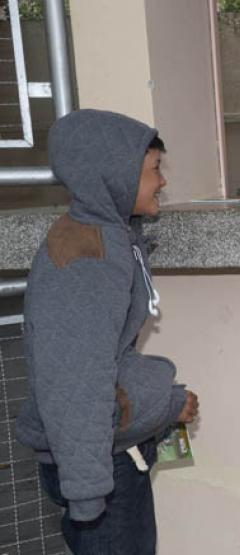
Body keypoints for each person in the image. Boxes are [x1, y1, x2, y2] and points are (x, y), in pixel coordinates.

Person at [15, 109, 199, 554]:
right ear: (115, 175)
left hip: (106, 462)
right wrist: (87, 492)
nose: (162, 181)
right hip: (101, 472)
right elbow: (76, 383)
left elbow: (106, 362)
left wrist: (166, 403)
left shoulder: (108, 238)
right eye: (154, 169)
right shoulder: (88, 261)